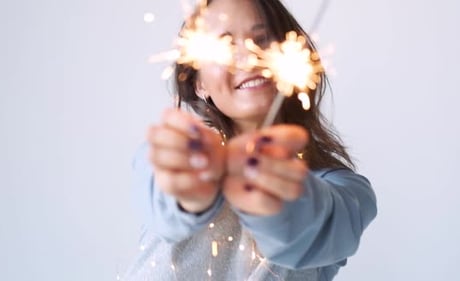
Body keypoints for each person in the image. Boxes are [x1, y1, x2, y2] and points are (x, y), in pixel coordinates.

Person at [126, 0, 377, 280]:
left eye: (262, 40)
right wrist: (188, 188)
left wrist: (280, 200)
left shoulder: (346, 192)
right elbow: (158, 189)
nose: (249, 59)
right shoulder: (174, 153)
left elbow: (322, 227)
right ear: (199, 83)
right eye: (225, 47)